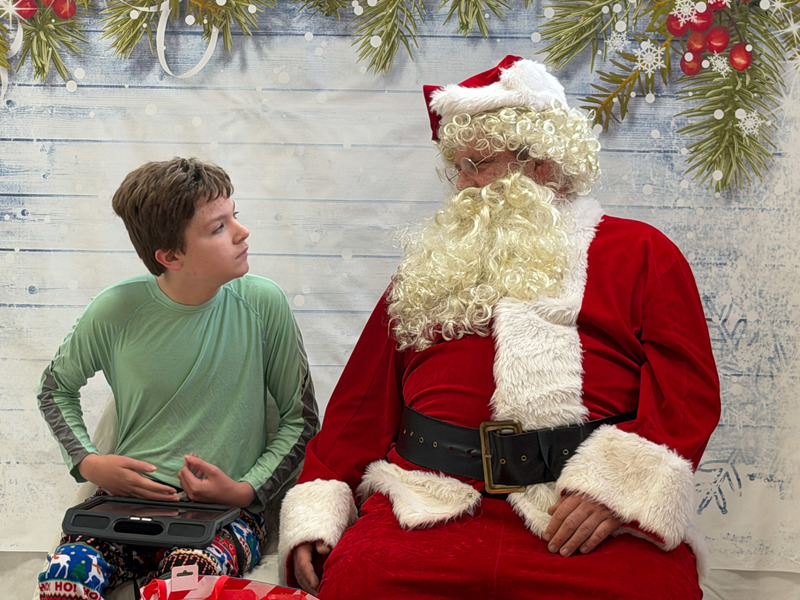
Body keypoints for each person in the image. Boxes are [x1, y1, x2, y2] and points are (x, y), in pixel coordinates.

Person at [277, 56, 721, 599]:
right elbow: (362, 402)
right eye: (456, 168)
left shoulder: (641, 252)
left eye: (479, 164)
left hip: (574, 514)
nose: (463, 184)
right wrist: (318, 510)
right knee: (356, 581)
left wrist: (618, 487)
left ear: (542, 164)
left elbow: (688, 393)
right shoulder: (430, 268)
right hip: (427, 502)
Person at [36, 157, 319, 600]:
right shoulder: (114, 311)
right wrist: (91, 463)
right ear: (170, 256)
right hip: (120, 510)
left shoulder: (264, 304)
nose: (242, 234)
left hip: (223, 517)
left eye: (234, 218)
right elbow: (55, 389)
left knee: (187, 584)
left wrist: (244, 490)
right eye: (218, 228)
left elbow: (299, 420)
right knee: (63, 579)